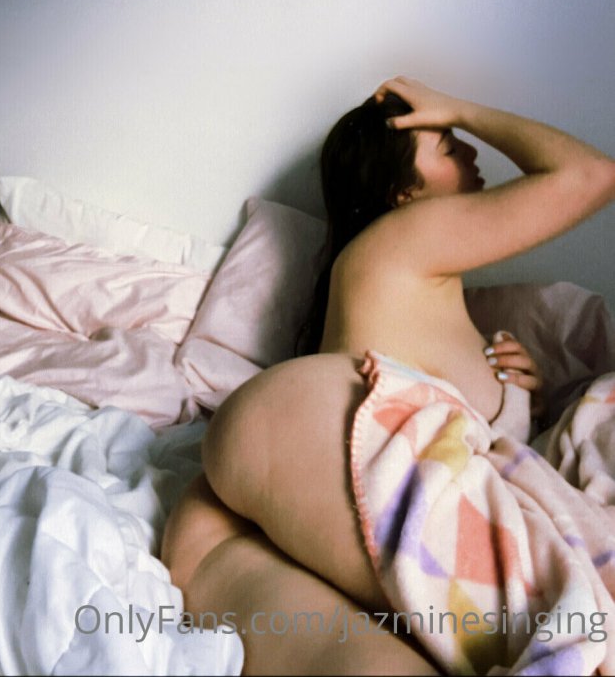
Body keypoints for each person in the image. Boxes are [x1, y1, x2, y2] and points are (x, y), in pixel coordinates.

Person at [162, 76, 615, 675]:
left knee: (215, 568)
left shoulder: (414, 287)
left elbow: (470, 460)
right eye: (449, 147)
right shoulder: (404, 236)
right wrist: (460, 108)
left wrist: (517, 400)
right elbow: (590, 176)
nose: (471, 151)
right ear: (403, 192)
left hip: (256, 474)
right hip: (321, 432)